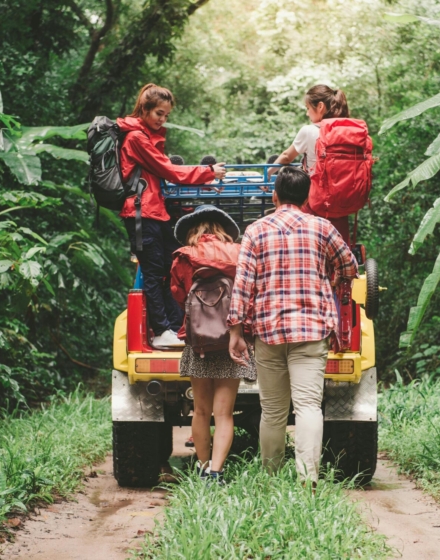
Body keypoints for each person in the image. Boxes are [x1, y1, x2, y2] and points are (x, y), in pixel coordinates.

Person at [227, 167, 358, 483]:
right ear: (308, 196)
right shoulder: (322, 228)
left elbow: (243, 283)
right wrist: (333, 274)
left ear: (274, 196)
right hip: (312, 330)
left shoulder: (256, 230)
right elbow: (351, 266)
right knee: (309, 407)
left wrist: (235, 331)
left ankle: (271, 478)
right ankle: (308, 478)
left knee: (272, 411)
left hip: (269, 333)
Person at [118, 84, 227, 349]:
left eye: (166, 115)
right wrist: (208, 172)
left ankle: (174, 325)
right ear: (143, 109)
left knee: (170, 265)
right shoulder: (136, 138)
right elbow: (170, 170)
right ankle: (161, 330)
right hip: (141, 213)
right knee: (154, 273)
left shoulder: (144, 136)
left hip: (154, 211)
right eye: (158, 113)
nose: (162, 119)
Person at [171, 205, 256, 484]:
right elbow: (248, 293)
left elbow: (178, 294)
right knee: (224, 413)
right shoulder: (238, 252)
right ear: (222, 229)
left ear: (193, 230)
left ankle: (202, 465)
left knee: (201, 410)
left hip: (198, 342)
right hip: (231, 338)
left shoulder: (184, 256)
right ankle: (216, 472)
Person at [268, 84, 352, 242]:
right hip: (343, 202)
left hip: (316, 202)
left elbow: (286, 156)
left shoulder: (310, 131)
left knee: (309, 247)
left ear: (320, 107)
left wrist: (268, 173)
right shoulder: (348, 132)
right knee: (340, 247)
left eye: (308, 108)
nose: (307, 113)